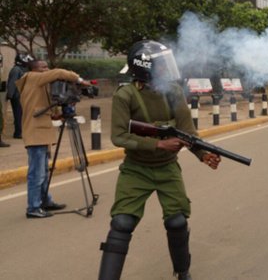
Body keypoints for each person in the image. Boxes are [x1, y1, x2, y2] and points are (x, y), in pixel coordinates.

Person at [98, 40, 221, 280]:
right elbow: (119, 136)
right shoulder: (126, 95)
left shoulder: (173, 92)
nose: (167, 69)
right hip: (136, 169)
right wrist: (158, 143)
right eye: (162, 66)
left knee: (176, 222)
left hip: (166, 168)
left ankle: (183, 272)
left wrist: (203, 155)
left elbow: (188, 133)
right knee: (122, 223)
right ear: (145, 68)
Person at [15, 60, 92, 218]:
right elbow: (58, 72)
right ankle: (33, 208)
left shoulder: (36, 85)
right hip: (36, 134)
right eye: (44, 67)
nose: (47, 69)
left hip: (39, 133)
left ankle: (45, 202)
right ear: (35, 70)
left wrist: (59, 114)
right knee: (37, 173)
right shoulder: (33, 77)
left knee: (43, 171)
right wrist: (79, 80)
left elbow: (42, 110)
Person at [7, 52, 34, 139]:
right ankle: (18, 133)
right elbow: (12, 83)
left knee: (23, 114)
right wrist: (10, 95)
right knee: (18, 114)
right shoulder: (16, 70)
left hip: (23, 96)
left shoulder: (23, 69)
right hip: (17, 96)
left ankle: (22, 131)